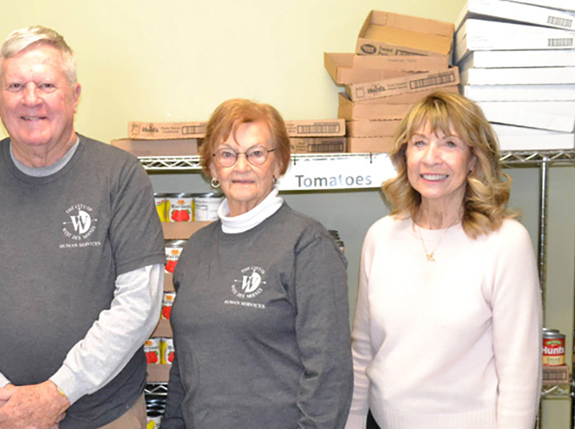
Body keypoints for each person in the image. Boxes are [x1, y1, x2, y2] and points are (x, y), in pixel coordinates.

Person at [0, 26, 165, 429]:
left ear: (75, 94)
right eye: (16, 85)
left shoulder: (120, 174)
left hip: (103, 414)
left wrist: (59, 391)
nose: (30, 99)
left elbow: (140, 301)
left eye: (46, 84)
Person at [346, 92, 542, 429]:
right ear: (404, 155)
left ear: (473, 160)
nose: (430, 158)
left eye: (449, 144)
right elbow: (362, 351)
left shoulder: (505, 242)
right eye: (419, 143)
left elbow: (520, 373)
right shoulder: (380, 237)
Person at [161, 99, 353, 428]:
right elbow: (185, 366)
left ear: (279, 163)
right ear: (211, 166)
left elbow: (329, 374)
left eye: (256, 153)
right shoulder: (196, 249)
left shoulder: (307, 245)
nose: (241, 166)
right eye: (227, 153)